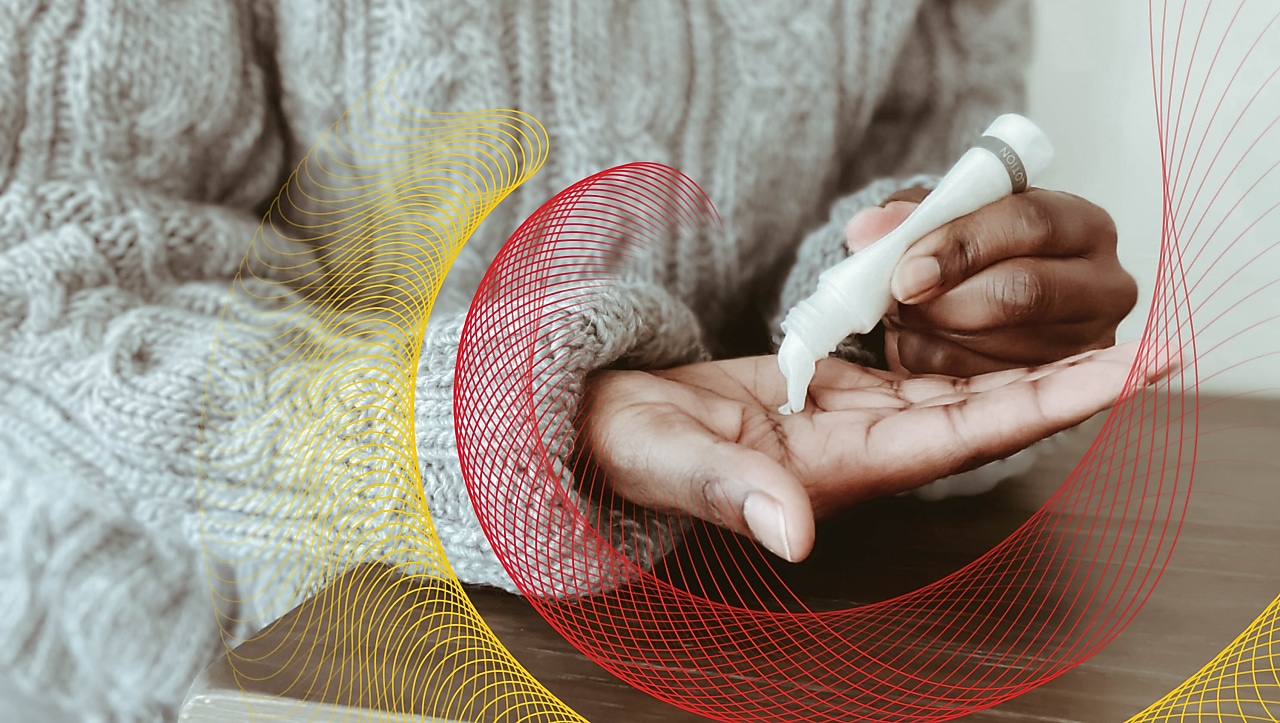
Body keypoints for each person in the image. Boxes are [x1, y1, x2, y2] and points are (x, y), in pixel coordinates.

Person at [0, 0, 1138, 720]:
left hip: (709, 634)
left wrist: (910, 315)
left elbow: (901, 177)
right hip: (226, 664)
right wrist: (516, 420)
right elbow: (43, 287)